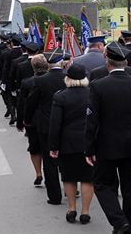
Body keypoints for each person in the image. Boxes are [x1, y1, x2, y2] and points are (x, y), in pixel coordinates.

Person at [85, 42, 131, 234]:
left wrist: (89, 148)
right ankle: (128, 231)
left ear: (107, 62)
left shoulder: (98, 86)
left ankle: (119, 222)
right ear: (126, 62)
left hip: (106, 144)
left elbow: (92, 120)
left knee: (102, 184)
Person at [48, 63, 94, 224]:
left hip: (67, 143)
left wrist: (53, 146)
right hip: (88, 143)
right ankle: (85, 212)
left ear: (67, 78)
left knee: (69, 177)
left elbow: (55, 124)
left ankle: (72, 208)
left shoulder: (60, 96)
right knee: (88, 178)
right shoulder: (92, 95)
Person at [25, 49, 67, 205]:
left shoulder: (40, 81)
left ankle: (55, 196)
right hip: (66, 124)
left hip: (46, 126)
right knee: (66, 159)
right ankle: (72, 188)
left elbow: (31, 102)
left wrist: (27, 120)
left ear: (47, 64)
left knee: (50, 162)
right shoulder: (68, 77)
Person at [17, 54, 48, 187]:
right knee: (49, 149)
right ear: (46, 65)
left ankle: (38, 173)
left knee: (34, 149)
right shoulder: (54, 79)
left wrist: (20, 122)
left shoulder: (27, 82)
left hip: (33, 122)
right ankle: (50, 173)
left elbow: (22, 104)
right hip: (49, 120)